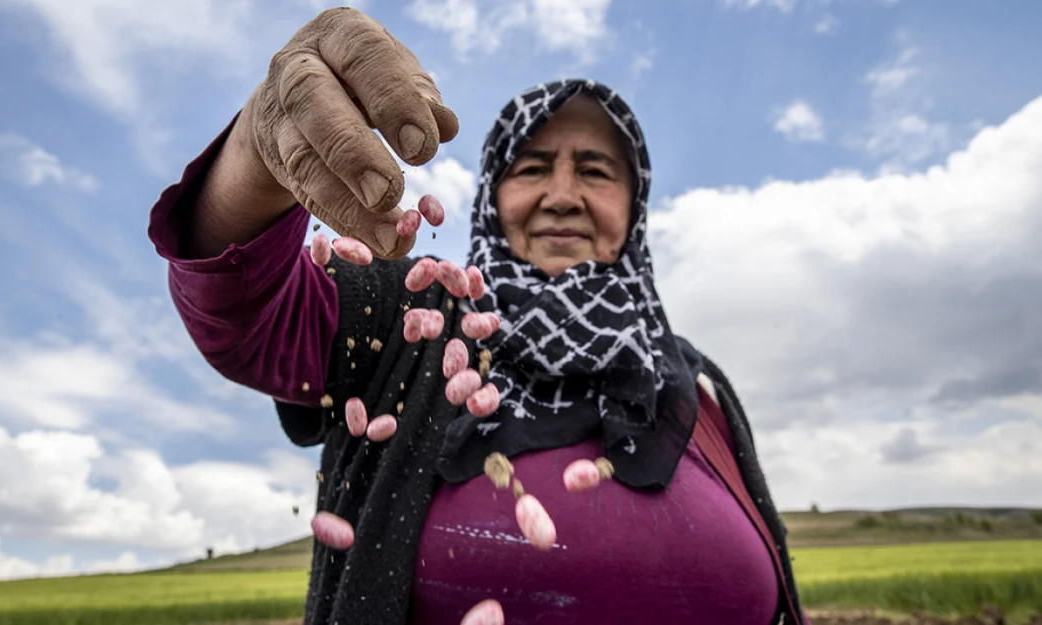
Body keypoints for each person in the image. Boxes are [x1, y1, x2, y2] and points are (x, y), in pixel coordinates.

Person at [147, 8, 809, 625]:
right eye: (533, 167)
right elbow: (240, 312)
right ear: (493, 199)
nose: (562, 194)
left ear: (634, 210)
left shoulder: (697, 388)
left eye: (597, 170)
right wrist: (262, 150)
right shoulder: (414, 317)